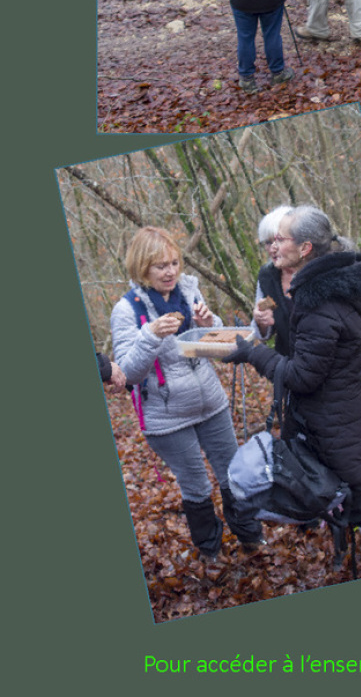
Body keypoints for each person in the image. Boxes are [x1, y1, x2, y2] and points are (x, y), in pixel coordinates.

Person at [227, 206, 361, 574]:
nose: (272, 246)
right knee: (332, 486)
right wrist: (260, 332)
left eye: (280, 239)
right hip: (325, 410)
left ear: (306, 248)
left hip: (334, 418)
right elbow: (300, 359)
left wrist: (253, 354)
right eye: (270, 240)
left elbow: (302, 376)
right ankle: (350, 546)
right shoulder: (318, 284)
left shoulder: (320, 302)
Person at [110, 227, 263, 557]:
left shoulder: (189, 291)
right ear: (142, 268)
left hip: (210, 402)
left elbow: (219, 348)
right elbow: (128, 374)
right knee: (196, 485)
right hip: (167, 417)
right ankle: (210, 551)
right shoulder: (126, 310)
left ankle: (251, 537)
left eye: (174, 263)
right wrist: (150, 335)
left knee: (234, 474)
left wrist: (209, 323)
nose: (170, 272)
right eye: (160, 266)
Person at [250, 205, 296, 356]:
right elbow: (262, 333)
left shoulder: (318, 271)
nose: (272, 249)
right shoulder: (267, 277)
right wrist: (261, 321)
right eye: (268, 243)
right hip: (287, 363)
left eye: (279, 240)